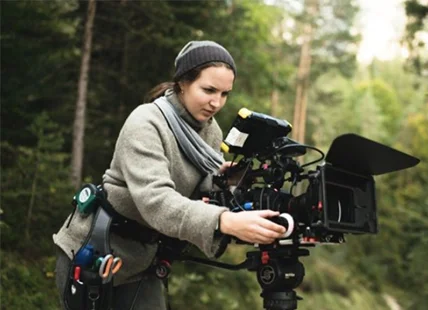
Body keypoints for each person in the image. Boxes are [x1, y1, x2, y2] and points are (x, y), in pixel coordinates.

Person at [53, 40, 286, 309]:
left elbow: (200, 185)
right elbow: (156, 200)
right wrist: (224, 221)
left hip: (144, 258)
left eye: (224, 94)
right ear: (183, 83)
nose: (216, 103)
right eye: (209, 90)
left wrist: (226, 178)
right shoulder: (146, 122)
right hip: (94, 251)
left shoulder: (210, 132)